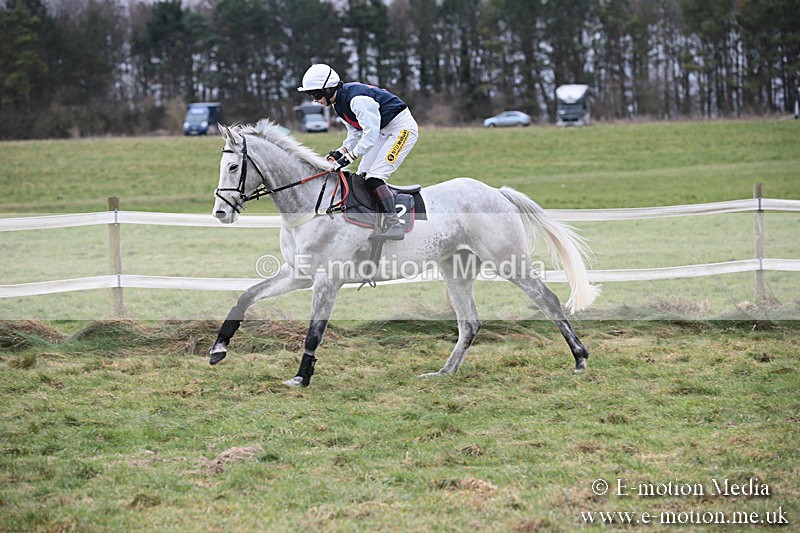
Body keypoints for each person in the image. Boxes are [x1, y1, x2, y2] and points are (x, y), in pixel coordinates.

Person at [297, 64, 419, 241]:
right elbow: (355, 133)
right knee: (362, 177)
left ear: (329, 88)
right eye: (311, 95)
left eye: (316, 94)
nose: (314, 99)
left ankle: (394, 225)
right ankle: (373, 221)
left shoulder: (357, 100)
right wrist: (339, 152)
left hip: (401, 130)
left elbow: (369, 136)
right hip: (381, 131)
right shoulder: (338, 103)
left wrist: (348, 158)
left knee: (375, 177)